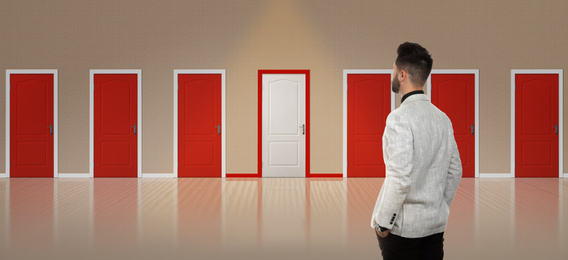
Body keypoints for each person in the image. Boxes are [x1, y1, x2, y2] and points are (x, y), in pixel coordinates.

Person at [370, 42, 462, 260]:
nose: (391, 74)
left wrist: (383, 222)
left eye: (393, 70)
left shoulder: (398, 118)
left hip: (403, 230)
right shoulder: (443, 118)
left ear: (402, 75)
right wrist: (437, 207)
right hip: (434, 226)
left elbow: (400, 178)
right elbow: (455, 171)